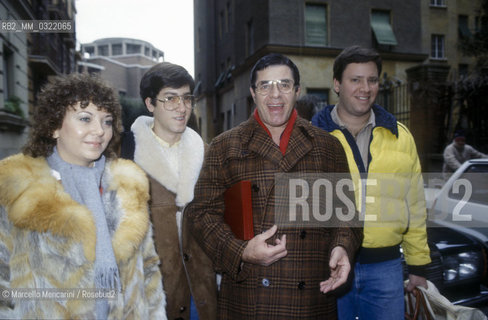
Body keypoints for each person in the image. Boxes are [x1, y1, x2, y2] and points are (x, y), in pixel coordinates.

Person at [185, 53, 362, 319]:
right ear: (253, 93)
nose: (275, 94)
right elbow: (200, 215)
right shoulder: (226, 146)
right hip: (248, 297)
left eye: (284, 85)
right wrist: (241, 251)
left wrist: (341, 246)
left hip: (311, 299)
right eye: (265, 86)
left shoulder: (327, 146)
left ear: (297, 91)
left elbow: (346, 216)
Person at [0, 73, 166, 319]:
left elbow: (149, 270)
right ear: (55, 126)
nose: (99, 130)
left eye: (107, 121)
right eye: (85, 118)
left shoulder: (128, 186)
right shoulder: (16, 186)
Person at [312, 45, 431, 320]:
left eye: (372, 80)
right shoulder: (312, 137)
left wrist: (418, 266)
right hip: (327, 267)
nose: (365, 88)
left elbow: (415, 206)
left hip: (386, 270)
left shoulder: (401, 136)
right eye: (355, 79)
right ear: (337, 84)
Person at [120, 62, 217, 320]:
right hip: (155, 299)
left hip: (205, 296)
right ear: (150, 104)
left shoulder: (209, 156)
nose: (182, 107)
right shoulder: (126, 159)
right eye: (170, 99)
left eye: (186, 98)